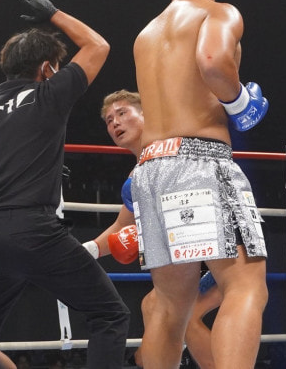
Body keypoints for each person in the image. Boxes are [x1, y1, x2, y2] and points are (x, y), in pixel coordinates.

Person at [0, 0, 129, 369]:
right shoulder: (48, 94)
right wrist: (52, 13)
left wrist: (22, 168)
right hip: (35, 231)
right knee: (110, 314)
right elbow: (98, 46)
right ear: (47, 68)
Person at [133, 0, 268, 369]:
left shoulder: (146, 34)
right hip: (200, 159)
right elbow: (212, 61)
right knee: (245, 286)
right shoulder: (219, 11)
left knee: (170, 306)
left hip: (150, 167)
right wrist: (241, 103)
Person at [87, 89, 224, 369]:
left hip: (220, 250)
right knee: (154, 305)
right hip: (191, 257)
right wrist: (83, 252)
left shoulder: (170, 149)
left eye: (122, 113)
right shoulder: (139, 172)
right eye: (109, 120)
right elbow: (121, 227)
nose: (115, 122)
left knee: (180, 312)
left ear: (146, 115)